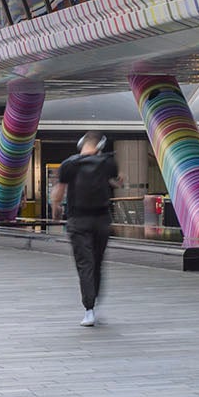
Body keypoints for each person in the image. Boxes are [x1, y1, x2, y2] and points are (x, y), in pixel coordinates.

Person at [52, 132, 118, 326]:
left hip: (78, 220)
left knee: (85, 264)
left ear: (81, 144)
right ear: (101, 146)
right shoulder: (108, 162)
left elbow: (59, 191)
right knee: (97, 263)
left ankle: (88, 309)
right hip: (102, 220)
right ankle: (94, 303)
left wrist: (56, 208)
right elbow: (115, 181)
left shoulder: (69, 164)